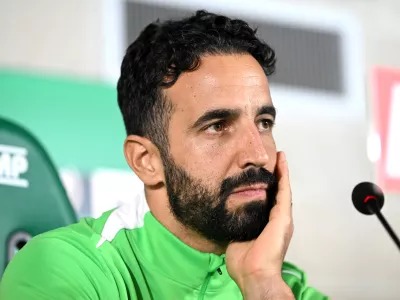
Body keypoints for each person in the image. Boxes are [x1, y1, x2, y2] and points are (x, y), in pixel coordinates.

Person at [0, 10, 328, 300]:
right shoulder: (66, 270)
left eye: (264, 122)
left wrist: (262, 285)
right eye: (217, 126)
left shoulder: (286, 287)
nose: (257, 154)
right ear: (146, 161)